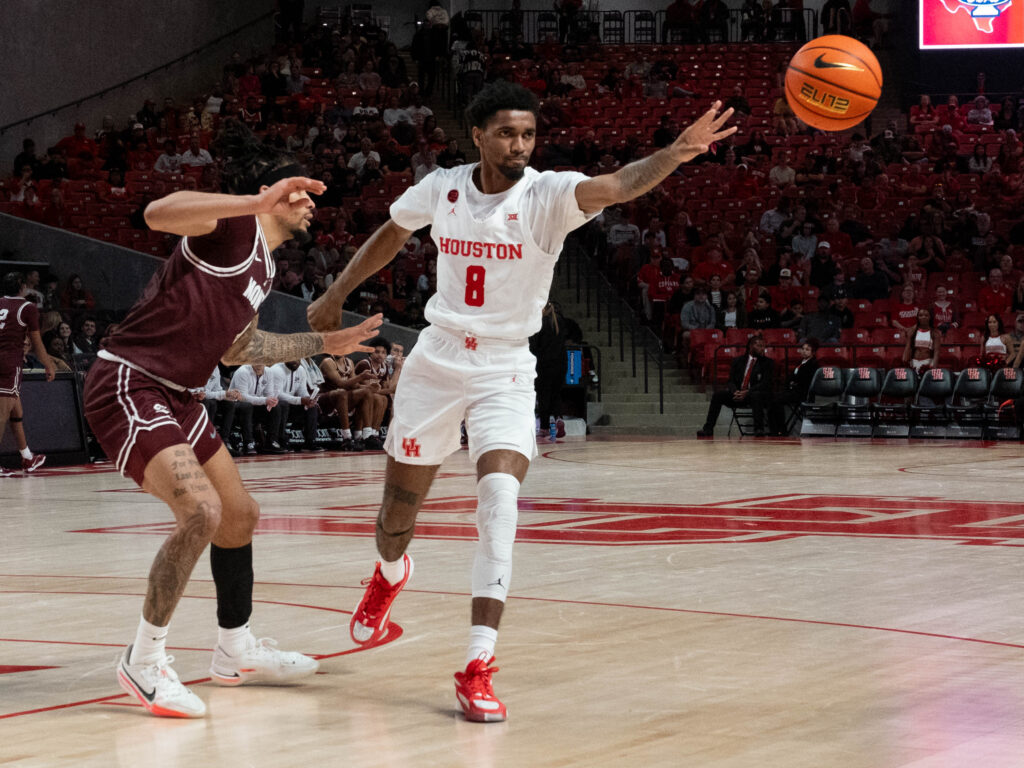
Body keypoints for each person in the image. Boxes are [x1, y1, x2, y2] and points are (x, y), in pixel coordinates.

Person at [306, 81, 736, 722]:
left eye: (528, 134)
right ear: (477, 135)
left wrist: (673, 154)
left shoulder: (549, 194)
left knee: (500, 501)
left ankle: (477, 663)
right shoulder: (442, 187)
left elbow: (618, 185)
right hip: (438, 358)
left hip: (506, 365)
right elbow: (392, 232)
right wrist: (336, 294)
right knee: (398, 509)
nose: (518, 145)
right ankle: (389, 573)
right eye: (506, 133)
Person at [80, 121, 383, 719]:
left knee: (239, 514)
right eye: (304, 196)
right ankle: (143, 662)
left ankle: (234, 650)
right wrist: (255, 200)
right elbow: (157, 213)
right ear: (277, 192)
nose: (312, 209)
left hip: (183, 396)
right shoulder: (232, 224)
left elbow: (238, 351)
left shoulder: (265, 269)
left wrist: (323, 342)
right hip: (130, 380)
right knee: (202, 512)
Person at [0, 272, 56, 476]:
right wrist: (48, 365)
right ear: (22, 287)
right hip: (8, 363)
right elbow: (37, 341)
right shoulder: (28, 307)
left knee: (16, 412)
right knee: (1, 415)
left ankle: (27, 458)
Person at [696, 334, 774, 437]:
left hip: (753, 395)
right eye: (759, 346)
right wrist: (735, 391)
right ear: (750, 346)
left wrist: (747, 392)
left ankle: (759, 429)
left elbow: (765, 383)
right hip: (738, 394)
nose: (762, 349)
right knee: (717, 395)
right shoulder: (738, 361)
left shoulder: (768, 363)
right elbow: (730, 381)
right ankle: (708, 429)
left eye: (764, 346)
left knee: (756, 395)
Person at [768, 338, 819, 435]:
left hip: (802, 393)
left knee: (777, 400)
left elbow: (804, 381)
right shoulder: (801, 363)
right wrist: (791, 383)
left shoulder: (813, 365)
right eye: (803, 349)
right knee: (771, 398)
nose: (803, 351)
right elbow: (790, 378)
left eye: (807, 349)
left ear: (813, 352)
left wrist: (793, 383)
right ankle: (774, 430)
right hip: (793, 391)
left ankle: (781, 430)